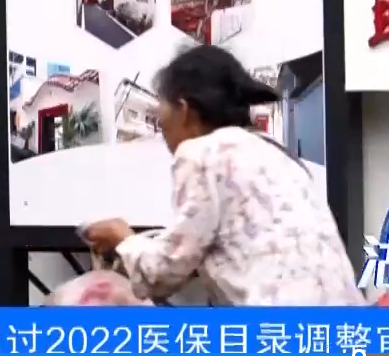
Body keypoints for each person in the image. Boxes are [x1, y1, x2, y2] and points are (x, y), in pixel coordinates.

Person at [81, 45, 362, 305]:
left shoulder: (200, 153)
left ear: (184, 110)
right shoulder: (277, 154)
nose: (161, 128)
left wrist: (123, 238)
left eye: (160, 114)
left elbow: (163, 272)